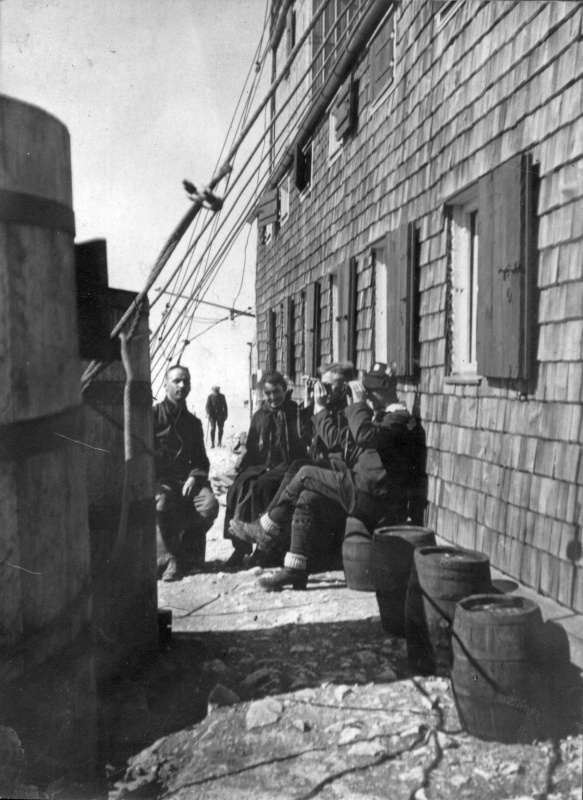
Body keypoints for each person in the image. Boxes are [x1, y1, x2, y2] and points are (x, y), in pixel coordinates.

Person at [233, 363, 417, 591]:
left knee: (304, 474)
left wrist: (357, 404)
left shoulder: (399, 418)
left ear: (388, 389)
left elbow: (362, 436)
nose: (367, 394)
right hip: (360, 486)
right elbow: (348, 441)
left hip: (371, 495)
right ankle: (295, 569)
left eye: (371, 390)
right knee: (308, 496)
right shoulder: (381, 417)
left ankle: (266, 527)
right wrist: (318, 407)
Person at [222, 370, 310, 569]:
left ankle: (263, 548)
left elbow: (301, 443)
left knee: (261, 486)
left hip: (287, 464)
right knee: (238, 487)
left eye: (276, 392)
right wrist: (243, 464)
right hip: (262, 464)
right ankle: (240, 547)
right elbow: (252, 446)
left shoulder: (295, 412)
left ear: (285, 390)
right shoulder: (259, 415)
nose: (272, 398)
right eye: (268, 393)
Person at [154, 365, 219, 581]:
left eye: (186, 381)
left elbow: (201, 459)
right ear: (166, 384)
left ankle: (185, 550)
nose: (182, 385)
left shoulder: (194, 423)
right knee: (161, 503)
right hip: (161, 481)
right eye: (177, 381)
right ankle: (167, 558)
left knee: (209, 505)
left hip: (188, 481)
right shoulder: (152, 416)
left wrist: (194, 476)